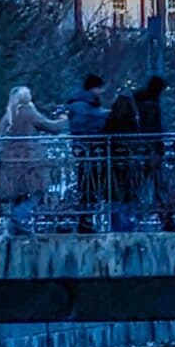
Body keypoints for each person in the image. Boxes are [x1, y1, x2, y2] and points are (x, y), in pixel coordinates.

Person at [0, 86, 67, 232]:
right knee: (38, 191)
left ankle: (15, 225)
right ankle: (18, 219)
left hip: (11, 162)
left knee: (18, 194)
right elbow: (51, 127)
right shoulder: (28, 112)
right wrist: (65, 120)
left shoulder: (7, 116)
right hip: (30, 161)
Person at [67, 74, 107, 230]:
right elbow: (86, 123)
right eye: (99, 88)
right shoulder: (84, 105)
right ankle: (85, 219)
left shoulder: (84, 104)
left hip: (88, 150)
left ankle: (87, 218)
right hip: (88, 150)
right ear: (94, 88)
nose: (101, 92)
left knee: (88, 185)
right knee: (88, 185)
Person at [134, 75, 172, 227]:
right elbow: (154, 128)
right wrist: (158, 149)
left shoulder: (139, 101)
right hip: (151, 150)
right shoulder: (151, 104)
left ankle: (133, 217)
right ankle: (165, 218)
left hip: (140, 150)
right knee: (159, 186)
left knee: (139, 185)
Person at [103, 86, 143, 229]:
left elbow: (105, 136)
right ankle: (130, 223)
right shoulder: (132, 121)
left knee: (114, 192)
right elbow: (138, 138)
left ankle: (116, 224)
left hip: (113, 161)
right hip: (129, 159)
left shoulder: (111, 119)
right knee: (129, 191)